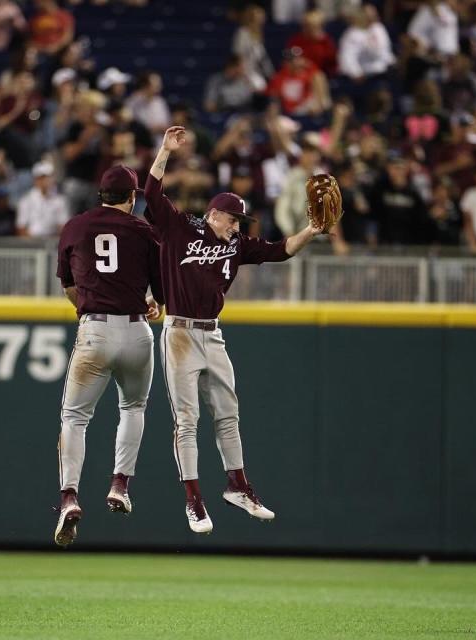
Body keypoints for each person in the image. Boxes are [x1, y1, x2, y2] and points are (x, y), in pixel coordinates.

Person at [144, 126, 323, 534]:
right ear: (214, 213)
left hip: (213, 333)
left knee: (228, 415)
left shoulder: (238, 244)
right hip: (180, 334)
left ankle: (238, 486)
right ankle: (193, 500)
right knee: (186, 420)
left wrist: (311, 231)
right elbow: (151, 193)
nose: (238, 225)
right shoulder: (181, 229)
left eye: (241, 220)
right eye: (233, 218)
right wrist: (164, 151)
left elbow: (281, 251)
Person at [54, 165, 165, 547]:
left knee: (75, 418)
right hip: (136, 330)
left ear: (100, 194)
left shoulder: (75, 226)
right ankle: (120, 484)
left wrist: (84, 309)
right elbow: (161, 291)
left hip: (95, 327)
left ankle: (69, 496)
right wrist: (155, 304)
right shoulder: (144, 230)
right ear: (131, 198)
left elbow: (69, 286)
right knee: (133, 408)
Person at [16, 160, 70, 237]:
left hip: (52, 243)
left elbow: (63, 226)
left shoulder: (60, 200)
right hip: (31, 243)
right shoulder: (26, 200)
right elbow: (21, 228)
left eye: (48, 177)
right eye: (42, 177)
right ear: (36, 179)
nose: (46, 180)